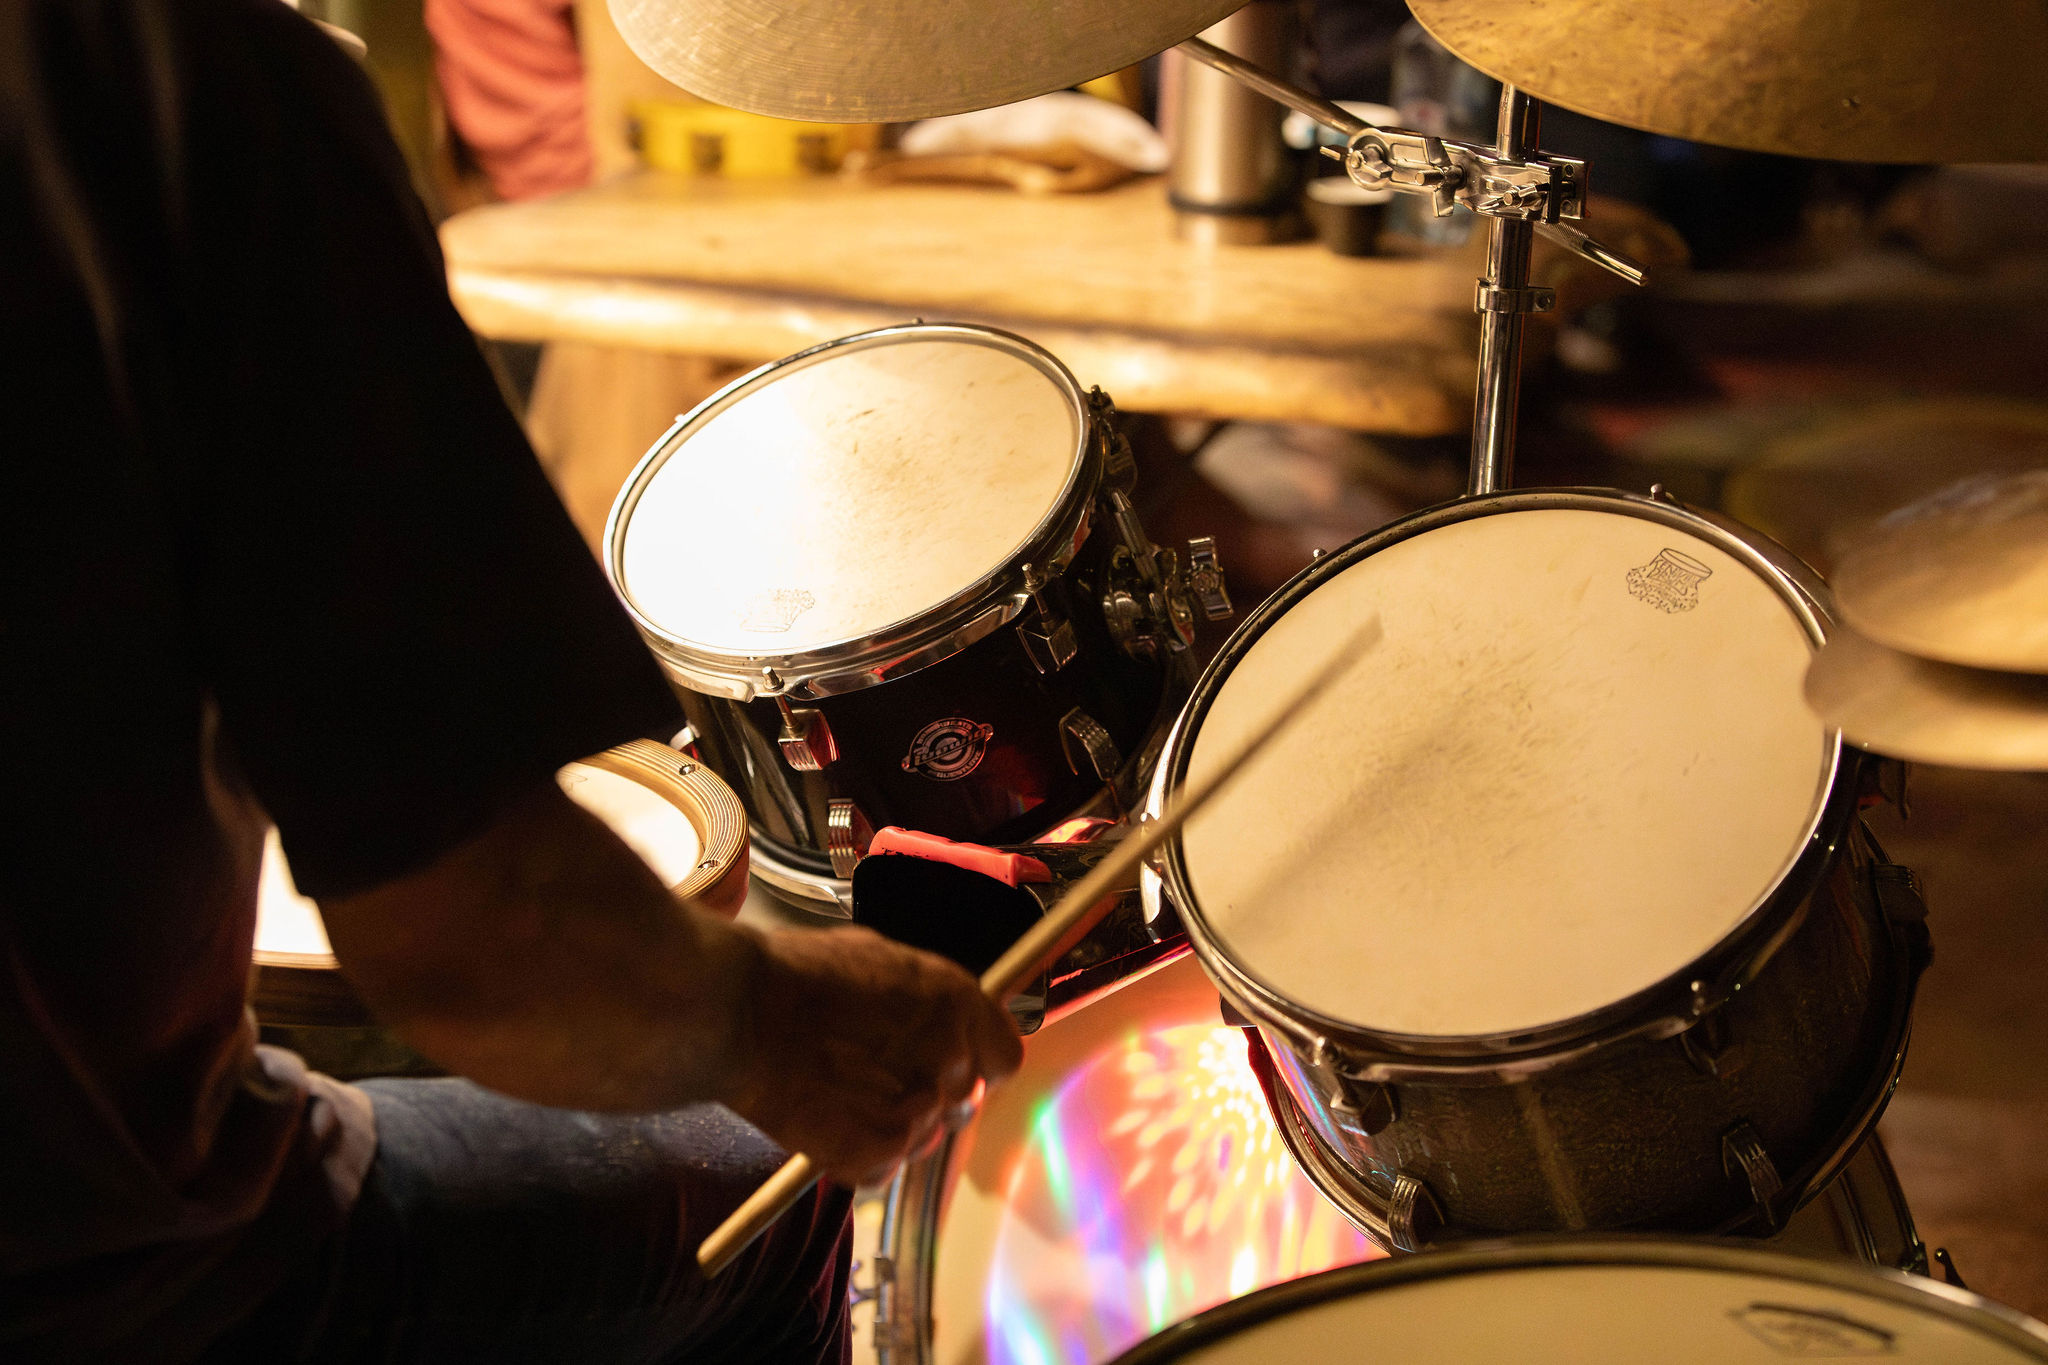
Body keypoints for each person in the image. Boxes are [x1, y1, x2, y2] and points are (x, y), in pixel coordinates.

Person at [0, 0, 1021, 1359]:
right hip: (99, 1280)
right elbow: (486, 946)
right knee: (777, 1203)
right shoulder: (171, 78)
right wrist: (783, 1023)